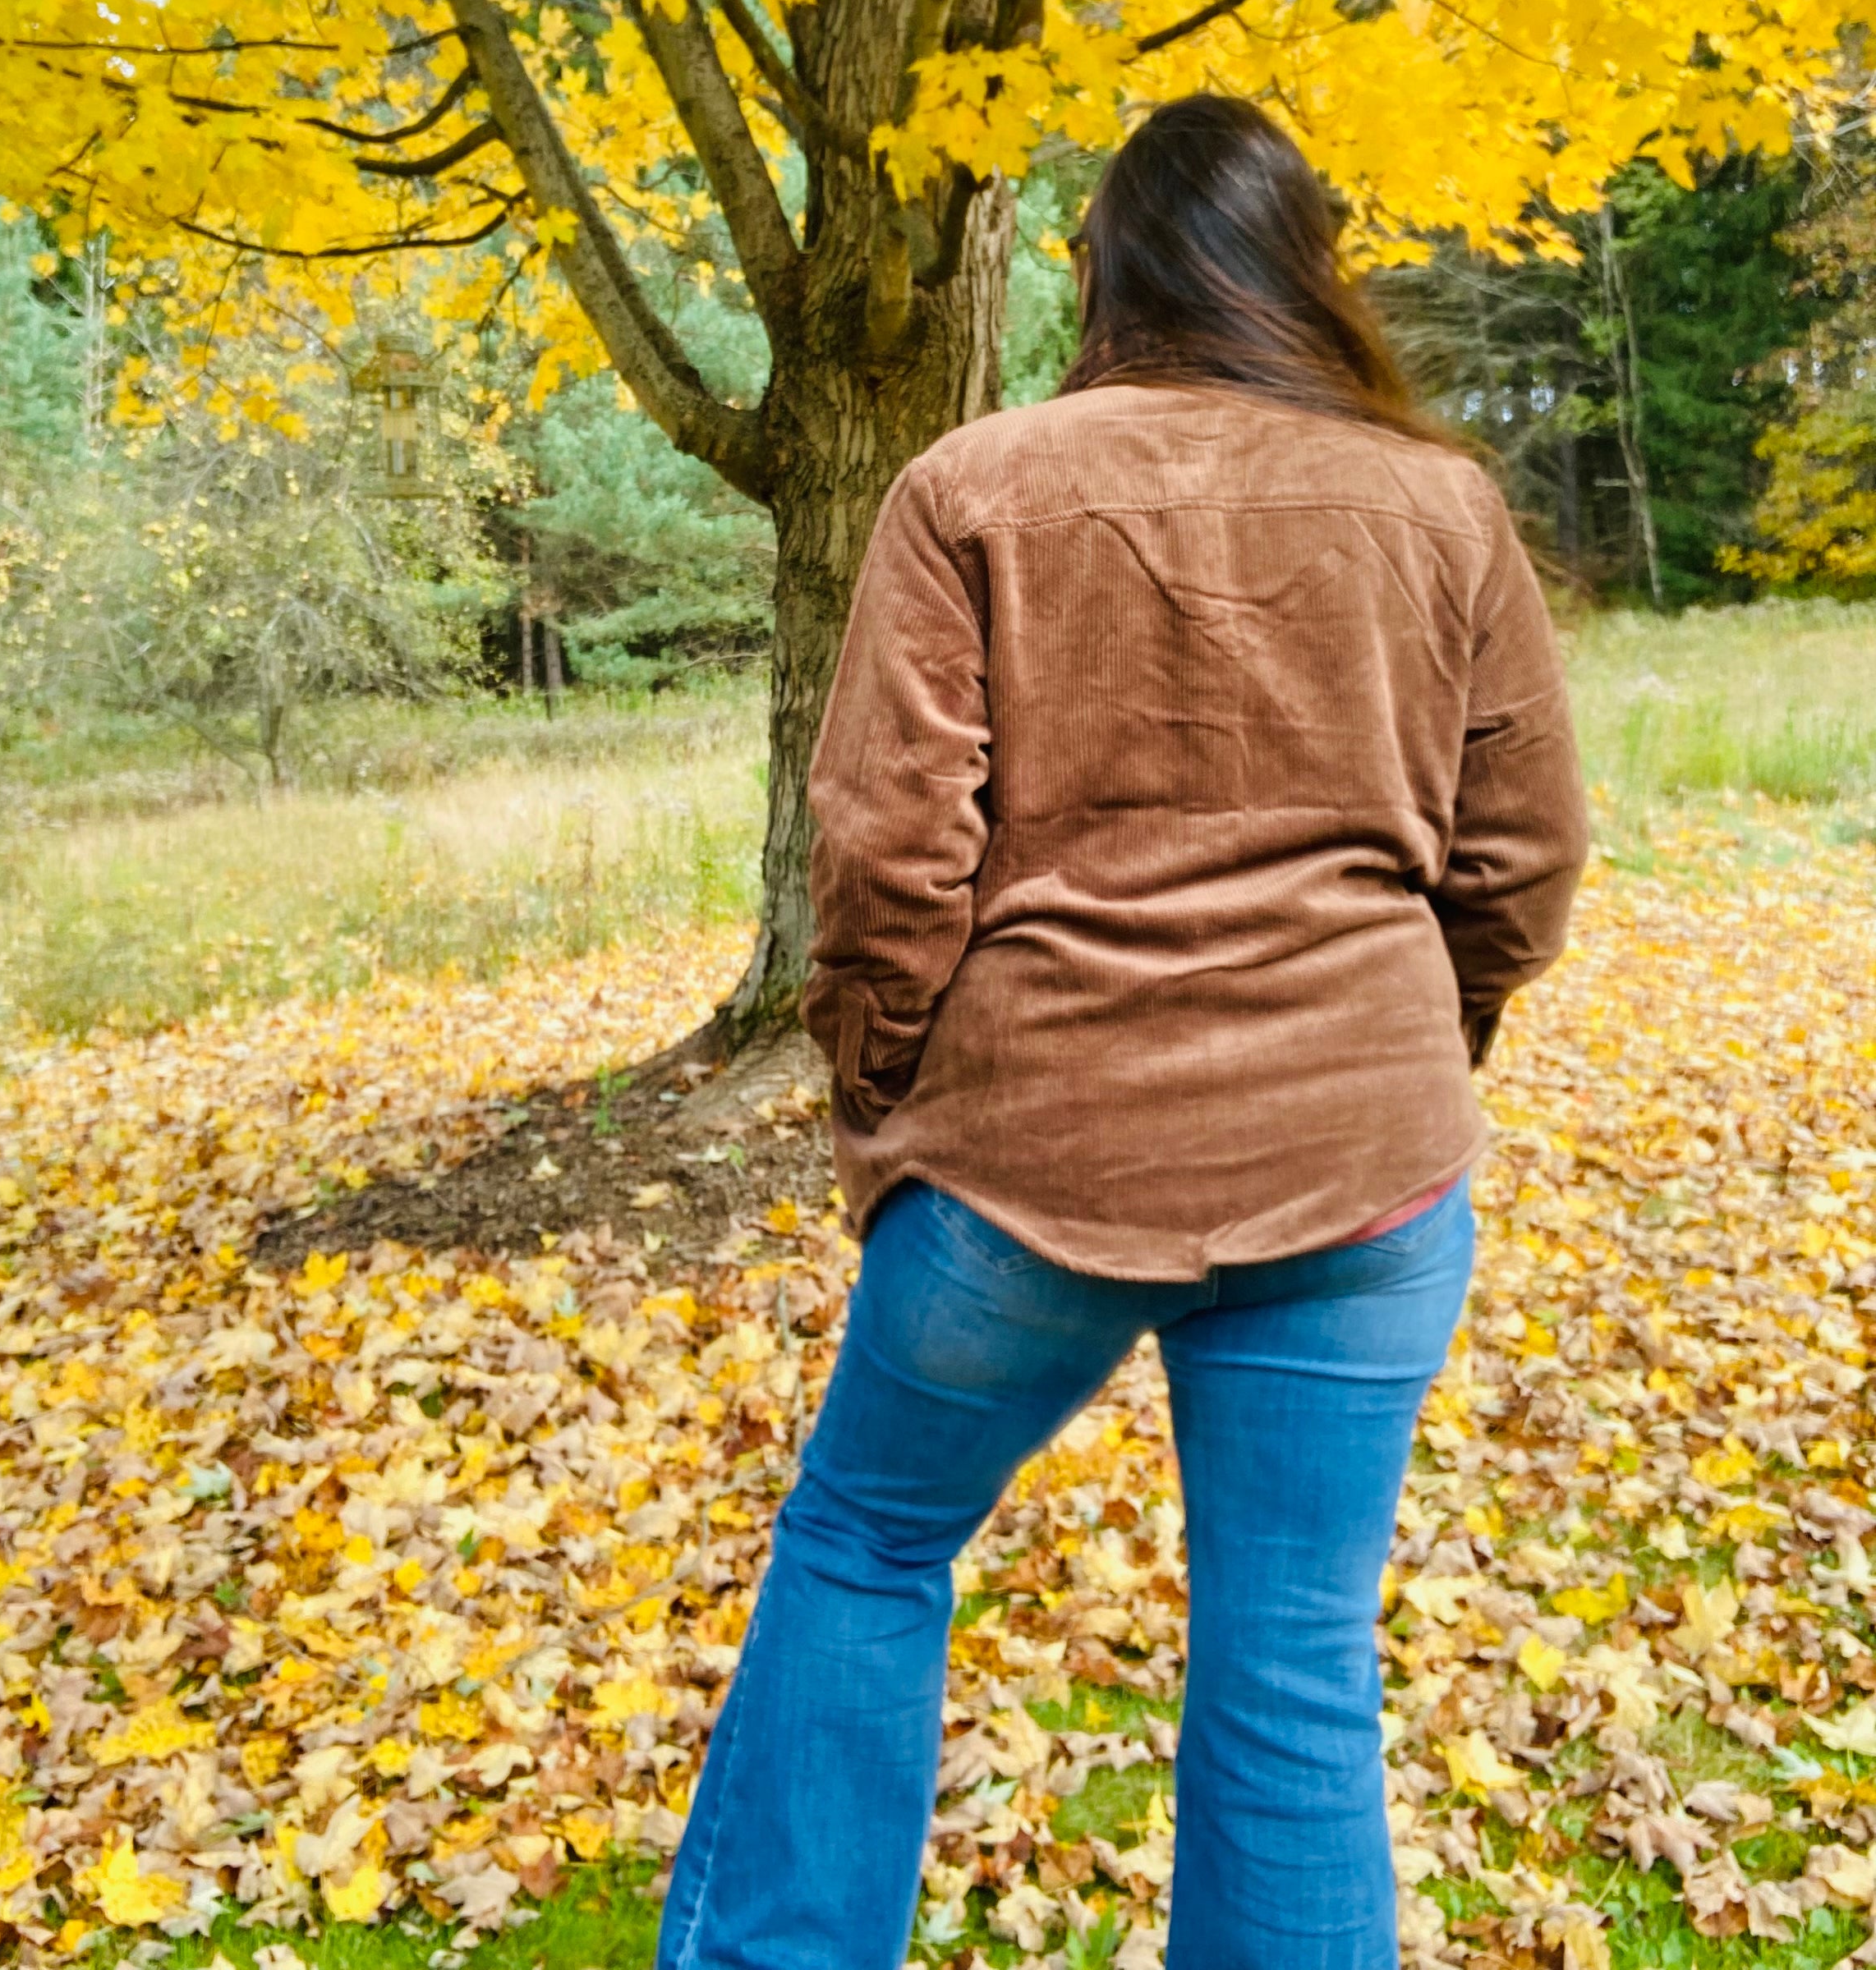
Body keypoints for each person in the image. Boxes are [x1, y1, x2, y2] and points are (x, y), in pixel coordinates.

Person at [655, 94, 1590, 1970]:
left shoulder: (973, 482)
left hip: (1026, 1163)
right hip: (1363, 1170)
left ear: (1102, 274)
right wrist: (1423, 1033)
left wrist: (887, 1078)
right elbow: (1522, 854)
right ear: (1307, 272)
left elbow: (882, 847)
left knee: (862, 1545)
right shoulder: (1439, 505)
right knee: (1294, 1654)